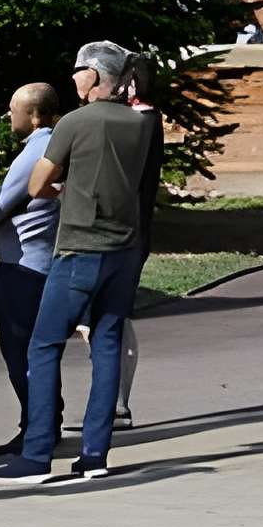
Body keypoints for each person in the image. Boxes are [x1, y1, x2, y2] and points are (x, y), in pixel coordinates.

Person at [0, 41, 155, 486]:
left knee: (43, 347)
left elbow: (39, 184)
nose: (74, 78)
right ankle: (94, 454)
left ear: (96, 77)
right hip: (123, 249)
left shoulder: (76, 122)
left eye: (80, 71)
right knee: (105, 347)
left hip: (80, 246)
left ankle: (38, 453)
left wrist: (67, 189)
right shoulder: (140, 124)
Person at [0, 82, 63, 453]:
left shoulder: (33, 153)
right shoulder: (57, 144)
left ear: (33, 115)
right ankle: (44, 419)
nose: (8, 115)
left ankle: (36, 424)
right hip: (44, 262)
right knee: (39, 349)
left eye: (13, 110)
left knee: (21, 353)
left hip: (22, 266)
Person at [107, 55, 165, 428]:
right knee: (110, 319)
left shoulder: (140, 120)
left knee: (113, 319)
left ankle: (116, 401)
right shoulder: (142, 119)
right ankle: (113, 400)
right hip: (130, 229)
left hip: (125, 231)